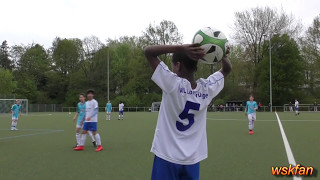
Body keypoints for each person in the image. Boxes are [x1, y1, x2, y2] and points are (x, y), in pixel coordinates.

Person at [144, 43, 231, 180]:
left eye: (173, 66)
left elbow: (149, 52)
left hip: (167, 156)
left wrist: (181, 48)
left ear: (177, 66)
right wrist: (220, 53)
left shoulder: (172, 83)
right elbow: (227, 69)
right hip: (192, 160)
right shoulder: (206, 89)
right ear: (196, 67)